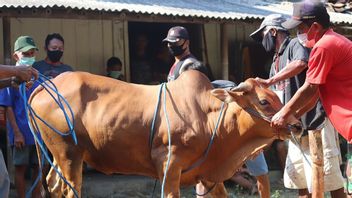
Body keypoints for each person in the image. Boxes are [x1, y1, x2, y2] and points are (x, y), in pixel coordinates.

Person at [269, 1, 352, 196]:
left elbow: (309, 87)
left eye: (300, 28)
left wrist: (283, 114)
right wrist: (294, 115)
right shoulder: (333, 41)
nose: (297, 34)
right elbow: (316, 93)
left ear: (314, 27)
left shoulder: (324, 47)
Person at [0, 36, 41, 198]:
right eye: (26, 53)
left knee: (38, 169)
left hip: (37, 134)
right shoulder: (13, 73)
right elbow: (7, 106)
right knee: (19, 169)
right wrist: (16, 132)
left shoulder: (35, 76)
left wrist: (14, 79)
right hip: (21, 133)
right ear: (16, 56)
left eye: (32, 53)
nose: (29, 56)